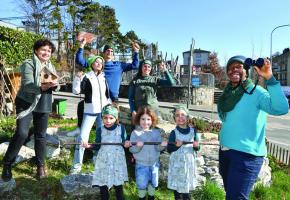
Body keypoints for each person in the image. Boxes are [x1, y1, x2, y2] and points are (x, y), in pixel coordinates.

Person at [217, 55, 289, 199]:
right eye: (230, 68)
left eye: (238, 67)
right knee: (231, 195)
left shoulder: (257, 92)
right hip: (225, 152)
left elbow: (281, 108)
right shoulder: (228, 94)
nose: (233, 70)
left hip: (246, 156)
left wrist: (269, 78)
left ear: (247, 70)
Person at [1, 39, 59, 181]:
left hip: (43, 101)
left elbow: (56, 83)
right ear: (36, 50)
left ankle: (40, 166)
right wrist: (41, 87)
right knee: (21, 133)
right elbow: (27, 85)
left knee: (41, 135)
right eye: (43, 50)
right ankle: (7, 164)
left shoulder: (51, 65)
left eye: (49, 51)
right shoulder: (28, 64)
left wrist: (55, 85)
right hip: (26, 102)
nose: (46, 53)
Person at [70, 55, 111, 174]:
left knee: (101, 136)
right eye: (96, 62)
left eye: (101, 62)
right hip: (90, 111)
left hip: (103, 112)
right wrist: (77, 79)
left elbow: (106, 94)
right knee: (82, 137)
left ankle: (97, 158)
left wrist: (109, 105)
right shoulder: (86, 76)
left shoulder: (103, 77)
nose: (99, 64)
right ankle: (76, 166)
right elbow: (76, 91)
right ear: (92, 63)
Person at [85, 104, 130, 200]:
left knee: (118, 185)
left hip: (117, 161)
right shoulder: (100, 129)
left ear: (116, 118)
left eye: (111, 118)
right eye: (105, 118)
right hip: (104, 161)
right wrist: (89, 146)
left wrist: (126, 143)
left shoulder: (121, 128)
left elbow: (125, 141)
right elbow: (97, 145)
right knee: (103, 183)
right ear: (102, 118)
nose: (108, 121)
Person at [76, 38, 140, 102]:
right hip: (98, 97)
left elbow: (135, 65)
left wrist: (136, 52)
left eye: (112, 51)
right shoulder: (97, 64)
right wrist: (81, 46)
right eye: (108, 50)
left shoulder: (119, 65)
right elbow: (79, 60)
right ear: (103, 53)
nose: (110, 52)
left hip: (113, 99)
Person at [129, 107, 167, 200]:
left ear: (152, 120)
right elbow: (132, 150)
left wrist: (162, 145)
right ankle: (141, 197)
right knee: (141, 184)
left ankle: (151, 197)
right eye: (143, 119)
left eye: (148, 119)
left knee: (153, 183)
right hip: (141, 165)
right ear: (138, 119)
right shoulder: (135, 133)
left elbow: (158, 148)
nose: (145, 122)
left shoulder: (156, 132)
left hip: (154, 164)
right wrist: (138, 146)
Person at [167, 105, 200, 200]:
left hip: (188, 165)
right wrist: (176, 146)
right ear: (174, 118)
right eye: (177, 115)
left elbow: (197, 148)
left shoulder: (194, 132)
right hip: (177, 166)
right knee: (178, 192)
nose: (180, 117)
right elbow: (169, 149)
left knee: (187, 192)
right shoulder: (174, 133)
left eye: (182, 115)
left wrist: (196, 146)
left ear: (187, 117)